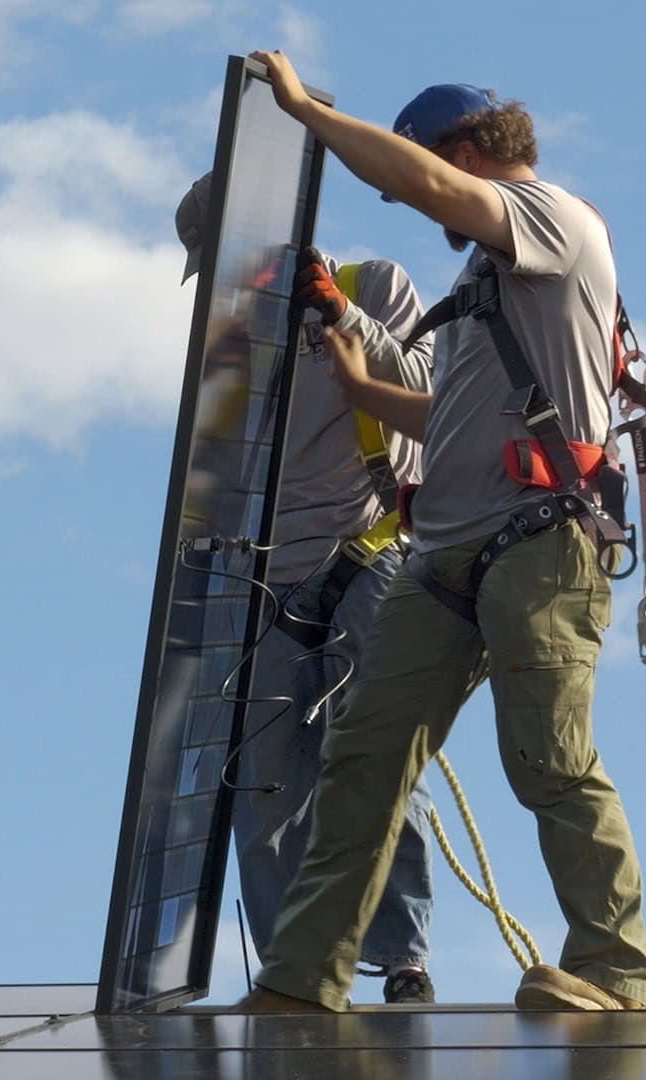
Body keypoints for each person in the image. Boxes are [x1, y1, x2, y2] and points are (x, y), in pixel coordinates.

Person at [235, 53, 646, 1013]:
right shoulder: (481, 290)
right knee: (364, 760)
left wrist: (300, 110)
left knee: (548, 757)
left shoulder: (554, 221)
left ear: (466, 153)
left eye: (433, 174)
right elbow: (454, 424)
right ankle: (303, 979)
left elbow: (418, 179)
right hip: (445, 560)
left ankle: (611, 973)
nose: (423, 205)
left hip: (540, 540)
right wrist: (361, 388)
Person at [175, 173, 443, 1004]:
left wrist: (338, 314)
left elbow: (433, 396)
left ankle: (402, 961)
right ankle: (295, 970)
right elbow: (209, 484)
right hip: (264, 584)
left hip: (369, 550)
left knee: (374, 761)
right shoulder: (226, 345)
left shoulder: (376, 287)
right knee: (260, 790)